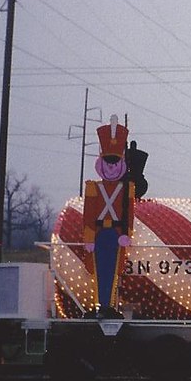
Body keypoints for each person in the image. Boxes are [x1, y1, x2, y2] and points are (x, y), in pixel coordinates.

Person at [82, 114, 134, 319]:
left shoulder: (127, 188)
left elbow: (129, 213)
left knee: (114, 271)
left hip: (116, 233)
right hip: (99, 233)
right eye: (108, 162)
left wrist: (126, 233)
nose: (111, 167)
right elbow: (88, 214)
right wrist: (88, 238)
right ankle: (100, 305)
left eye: (115, 162)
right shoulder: (93, 187)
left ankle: (109, 304)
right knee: (98, 270)